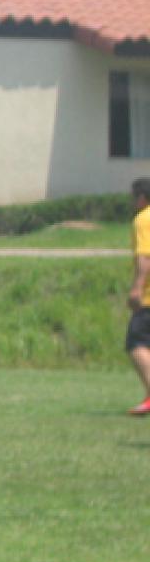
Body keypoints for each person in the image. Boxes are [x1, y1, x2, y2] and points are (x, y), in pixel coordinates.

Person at [127, 177, 150, 416]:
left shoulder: (143, 220)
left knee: (136, 344)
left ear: (142, 198)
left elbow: (145, 256)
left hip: (149, 297)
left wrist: (137, 288)